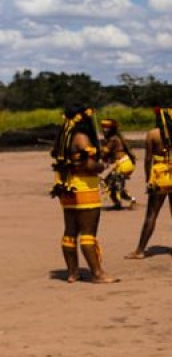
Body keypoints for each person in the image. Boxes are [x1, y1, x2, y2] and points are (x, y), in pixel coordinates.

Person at [51, 105, 119, 283]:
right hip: (84, 189)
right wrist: (101, 166)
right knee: (88, 233)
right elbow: (88, 166)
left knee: (70, 232)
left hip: (67, 188)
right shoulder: (81, 137)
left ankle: (72, 273)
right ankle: (97, 273)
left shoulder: (64, 138)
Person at [126, 107, 172, 258]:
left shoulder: (152, 134)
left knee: (152, 214)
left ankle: (140, 250)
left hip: (160, 175)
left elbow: (148, 159)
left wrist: (148, 179)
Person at [100, 118, 137, 209]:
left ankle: (130, 199)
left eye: (107, 128)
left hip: (123, 164)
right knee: (109, 183)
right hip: (123, 164)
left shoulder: (113, 139)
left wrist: (98, 148)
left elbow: (105, 153)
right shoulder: (112, 139)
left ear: (111, 129)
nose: (104, 129)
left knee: (115, 185)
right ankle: (118, 203)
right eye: (103, 127)